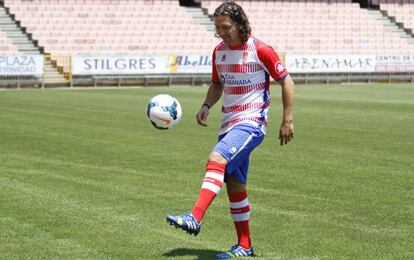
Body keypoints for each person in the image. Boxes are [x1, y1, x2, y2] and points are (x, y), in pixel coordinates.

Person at [166, 1, 294, 258]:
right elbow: (217, 84)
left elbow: (286, 81)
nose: (221, 32)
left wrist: (287, 119)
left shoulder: (261, 50)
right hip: (228, 124)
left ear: (239, 24)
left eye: (225, 27)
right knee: (235, 184)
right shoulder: (218, 52)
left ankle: (195, 217)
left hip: (251, 123)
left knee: (217, 158)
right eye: (217, 28)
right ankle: (245, 246)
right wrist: (205, 105)